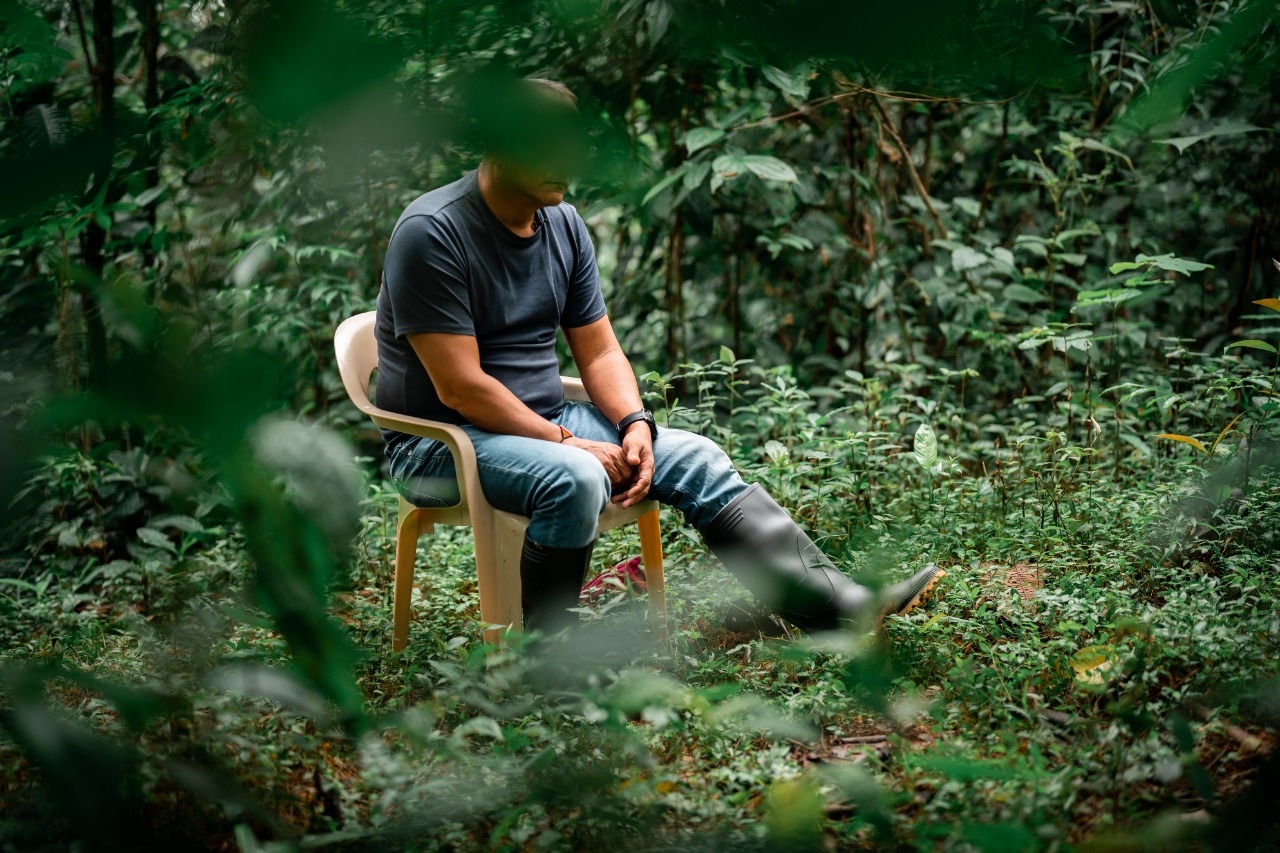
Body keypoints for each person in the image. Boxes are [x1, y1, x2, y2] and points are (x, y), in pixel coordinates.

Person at [373, 77, 944, 635]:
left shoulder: (564, 225)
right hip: (437, 442)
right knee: (573, 477)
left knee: (695, 454)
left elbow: (598, 350)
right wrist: (570, 445)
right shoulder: (433, 232)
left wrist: (633, 422)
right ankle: (548, 662)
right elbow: (461, 388)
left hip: (542, 422)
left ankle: (831, 605)